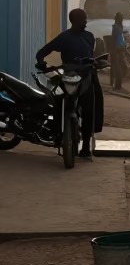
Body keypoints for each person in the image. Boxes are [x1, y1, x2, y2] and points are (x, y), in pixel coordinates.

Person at [36, 9, 103, 158]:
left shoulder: (89, 36)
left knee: (90, 110)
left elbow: (91, 56)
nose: (86, 21)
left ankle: (86, 146)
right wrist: (42, 64)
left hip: (86, 77)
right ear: (75, 20)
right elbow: (42, 52)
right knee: (57, 103)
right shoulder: (64, 37)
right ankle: (56, 133)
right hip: (68, 76)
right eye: (83, 19)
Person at [111, 11, 127, 91]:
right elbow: (115, 40)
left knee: (121, 67)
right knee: (118, 68)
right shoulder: (116, 28)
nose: (122, 19)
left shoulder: (119, 27)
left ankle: (116, 85)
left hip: (120, 49)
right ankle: (117, 86)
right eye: (120, 18)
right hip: (117, 50)